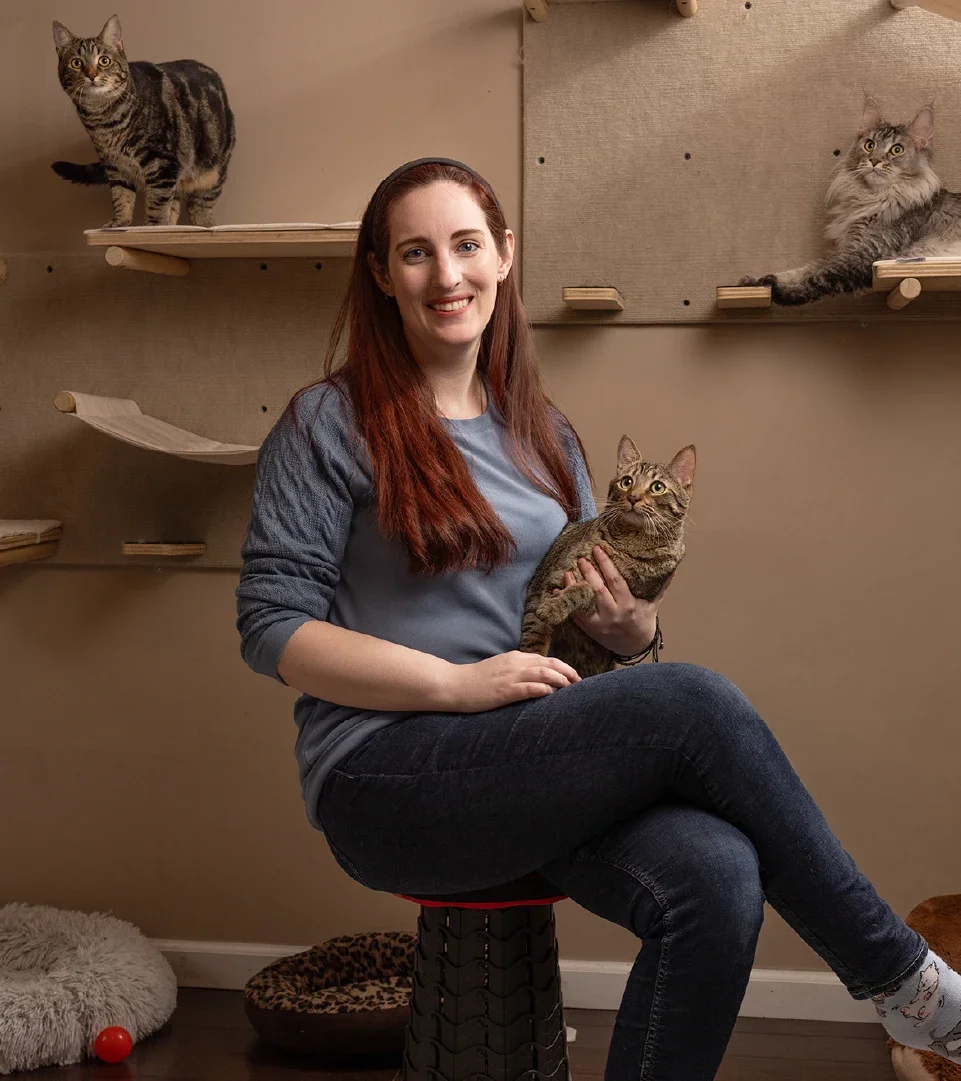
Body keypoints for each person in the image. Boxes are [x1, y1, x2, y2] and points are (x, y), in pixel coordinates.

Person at [236, 157, 961, 1080]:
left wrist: (633, 636)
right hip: (386, 773)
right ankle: (912, 986)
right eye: (414, 253)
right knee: (693, 699)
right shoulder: (326, 424)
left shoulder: (547, 434)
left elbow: (602, 634)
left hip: (530, 755)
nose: (445, 275)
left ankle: (910, 991)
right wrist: (455, 685)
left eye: (465, 245)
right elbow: (271, 627)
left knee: (717, 872)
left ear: (504, 255)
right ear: (382, 274)